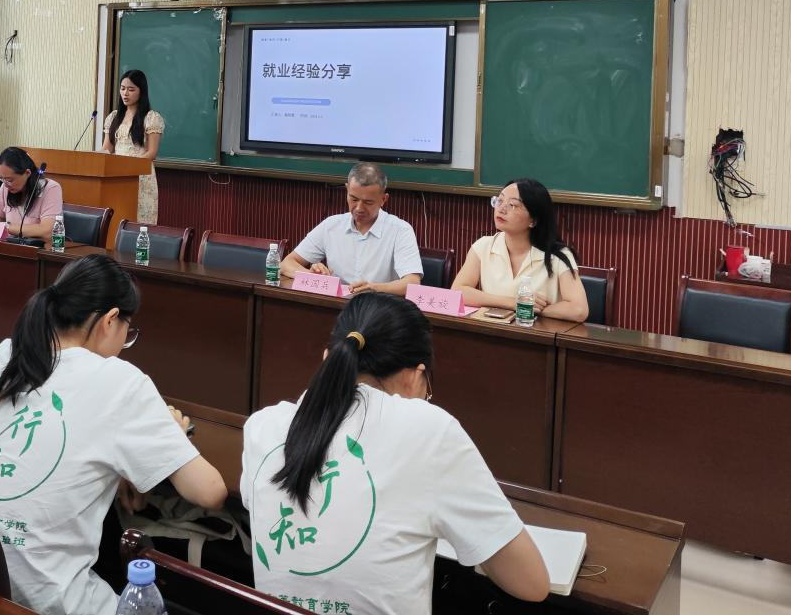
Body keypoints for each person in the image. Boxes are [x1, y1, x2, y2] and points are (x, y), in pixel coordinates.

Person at [241, 293, 549, 615]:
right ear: (414, 376)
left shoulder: (262, 426)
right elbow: (531, 583)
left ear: (326, 358)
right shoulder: (430, 430)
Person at [0, 254, 226, 615]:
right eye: (128, 331)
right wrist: (175, 435)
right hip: (54, 603)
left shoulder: (8, 354)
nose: (125, 342)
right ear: (109, 320)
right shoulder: (120, 380)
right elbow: (210, 492)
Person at [451, 179, 589, 322]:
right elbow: (458, 292)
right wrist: (513, 303)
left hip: (536, 332)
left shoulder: (558, 255)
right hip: (493, 331)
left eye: (512, 205)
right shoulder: (483, 246)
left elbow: (579, 310)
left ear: (533, 220)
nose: (501, 209)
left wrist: (527, 308)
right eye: (499, 201)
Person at [279, 162, 422, 294]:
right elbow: (287, 264)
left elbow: (412, 283)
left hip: (379, 306)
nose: (359, 208)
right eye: (354, 199)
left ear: (383, 199)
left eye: (368, 202)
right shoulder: (331, 225)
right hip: (335, 305)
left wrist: (374, 288)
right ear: (347, 190)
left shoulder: (400, 230)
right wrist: (314, 278)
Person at [101, 70, 165, 224]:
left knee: (139, 221)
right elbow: (106, 150)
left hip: (140, 177)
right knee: (116, 220)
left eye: (131, 89)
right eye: (123, 88)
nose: (125, 93)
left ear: (141, 91)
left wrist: (128, 167)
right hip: (117, 177)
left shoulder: (151, 118)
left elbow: (152, 153)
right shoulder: (114, 117)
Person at [0, 147, 64, 241]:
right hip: (9, 246)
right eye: (1, 178)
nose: (5, 184)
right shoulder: (5, 187)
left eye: (10, 180)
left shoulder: (50, 188)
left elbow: (48, 231)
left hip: (39, 248)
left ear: (27, 173)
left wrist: (6, 227)